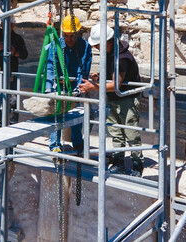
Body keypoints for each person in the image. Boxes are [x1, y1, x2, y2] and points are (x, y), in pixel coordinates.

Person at [79, 23, 144, 177]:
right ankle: (118, 161)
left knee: (131, 133)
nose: (96, 48)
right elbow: (112, 77)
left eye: (97, 45)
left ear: (105, 42)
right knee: (115, 131)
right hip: (114, 98)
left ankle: (137, 164)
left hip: (127, 100)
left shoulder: (121, 58)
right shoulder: (110, 53)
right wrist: (101, 77)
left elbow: (116, 85)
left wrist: (93, 86)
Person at [46, 15, 92, 154]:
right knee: (56, 114)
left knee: (76, 114)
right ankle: (55, 145)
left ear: (78, 34)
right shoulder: (55, 46)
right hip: (58, 86)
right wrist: (49, 88)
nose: (69, 39)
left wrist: (78, 89)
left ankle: (78, 144)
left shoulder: (84, 47)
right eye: (66, 35)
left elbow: (82, 69)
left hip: (75, 85)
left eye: (72, 36)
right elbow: (50, 67)